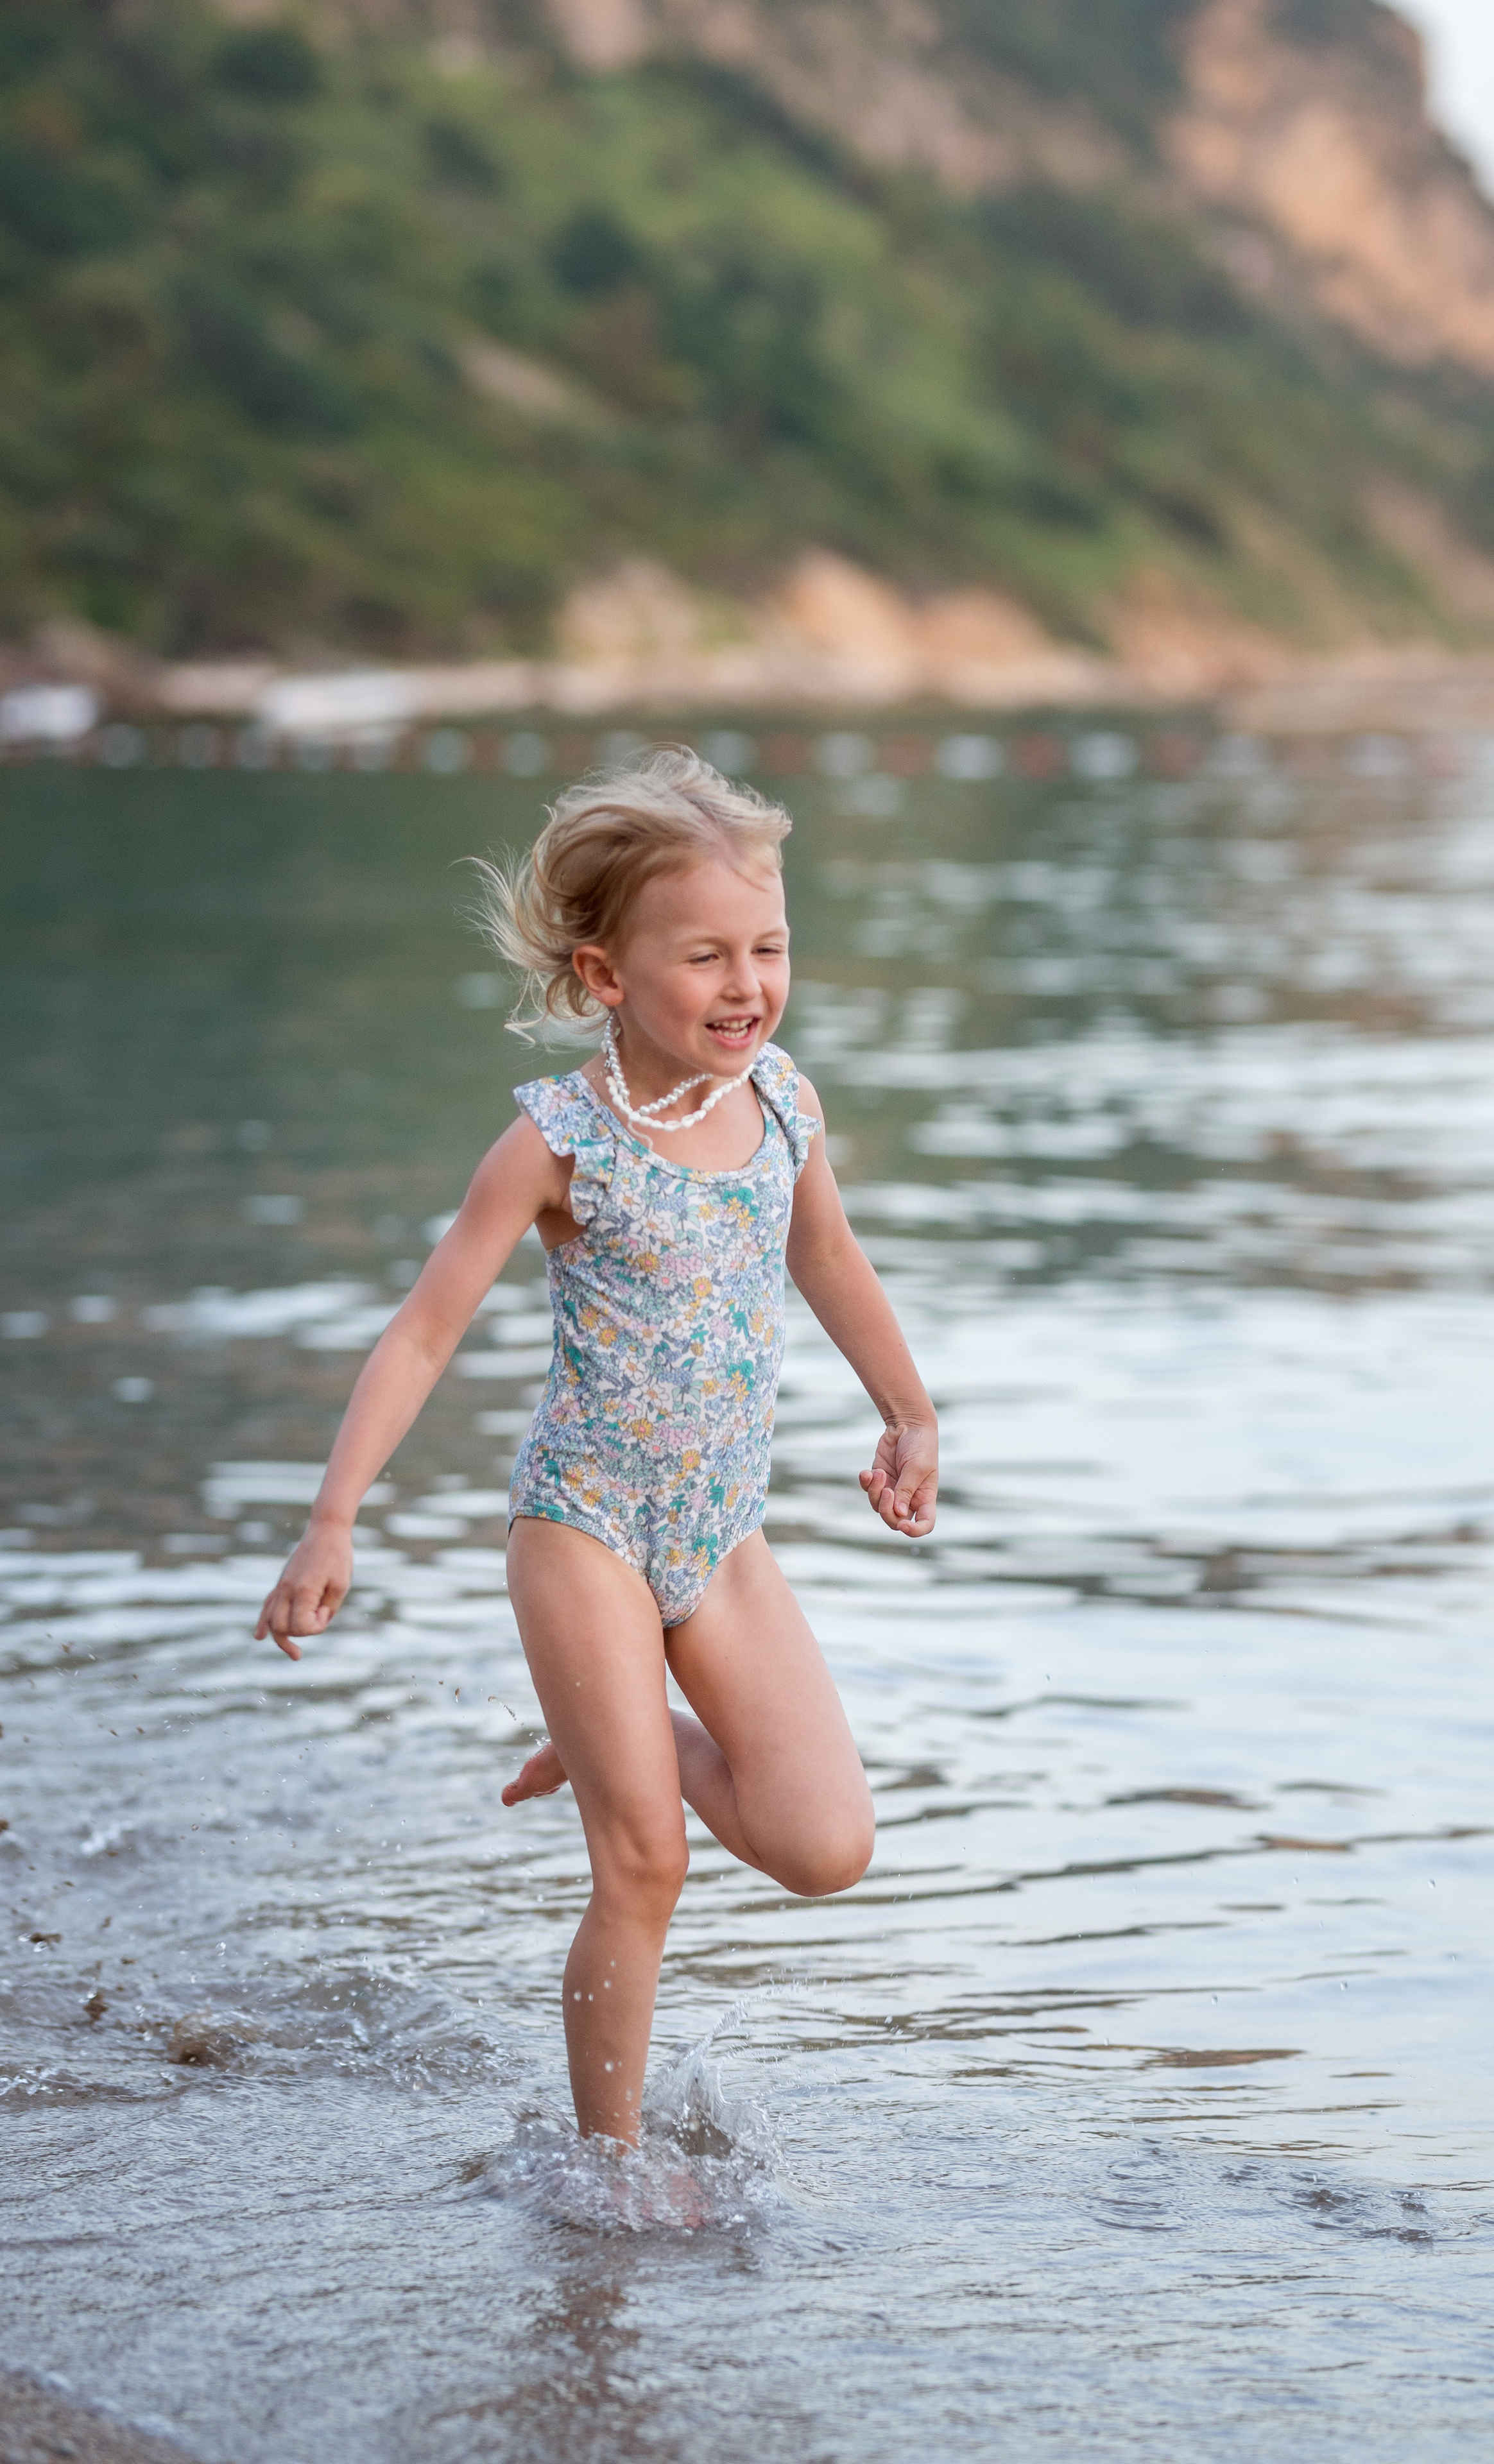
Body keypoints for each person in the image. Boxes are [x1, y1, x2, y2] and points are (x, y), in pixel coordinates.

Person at [254, 749, 938, 2144]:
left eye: (768, 946)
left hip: (718, 1534)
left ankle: (624, 1733)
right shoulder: (559, 1144)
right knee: (647, 1863)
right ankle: (608, 2171)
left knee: (824, 1849)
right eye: (705, 955)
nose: (747, 982)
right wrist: (335, 1519)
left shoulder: (786, 1107)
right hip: (583, 1525)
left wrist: (907, 1409)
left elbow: (828, 1257)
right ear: (605, 976)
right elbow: (424, 1332)